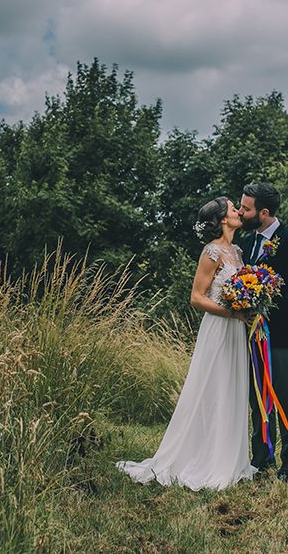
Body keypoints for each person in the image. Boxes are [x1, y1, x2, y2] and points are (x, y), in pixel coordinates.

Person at [117, 197, 256, 490]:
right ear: (222, 219)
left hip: (236, 330)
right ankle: (204, 458)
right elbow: (197, 298)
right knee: (213, 386)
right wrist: (233, 312)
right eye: (233, 208)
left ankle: (230, 457)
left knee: (232, 388)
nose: (238, 212)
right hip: (219, 329)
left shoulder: (238, 252)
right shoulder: (212, 251)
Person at [238, 182, 288, 477]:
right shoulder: (245, 244)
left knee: (284, 398)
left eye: (246, 208)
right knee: (257, 399)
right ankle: (262, 459)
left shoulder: (286, 238)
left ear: (264, 212)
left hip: (282, 336)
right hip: (251, 337)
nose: (241, 212)